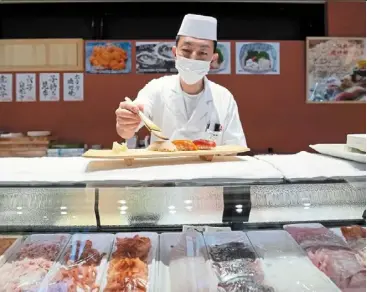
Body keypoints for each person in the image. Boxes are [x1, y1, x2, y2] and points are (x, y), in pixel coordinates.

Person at [116, 14, 247, 146]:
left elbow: (235, 147)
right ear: (174, 53)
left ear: (213, 59)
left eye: (202, 53)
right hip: (165, 166)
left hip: (209, 166)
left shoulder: (224, 98)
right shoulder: (156, 88)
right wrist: (127, 121)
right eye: (186, 50)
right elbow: (128, 129)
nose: (193, 58)